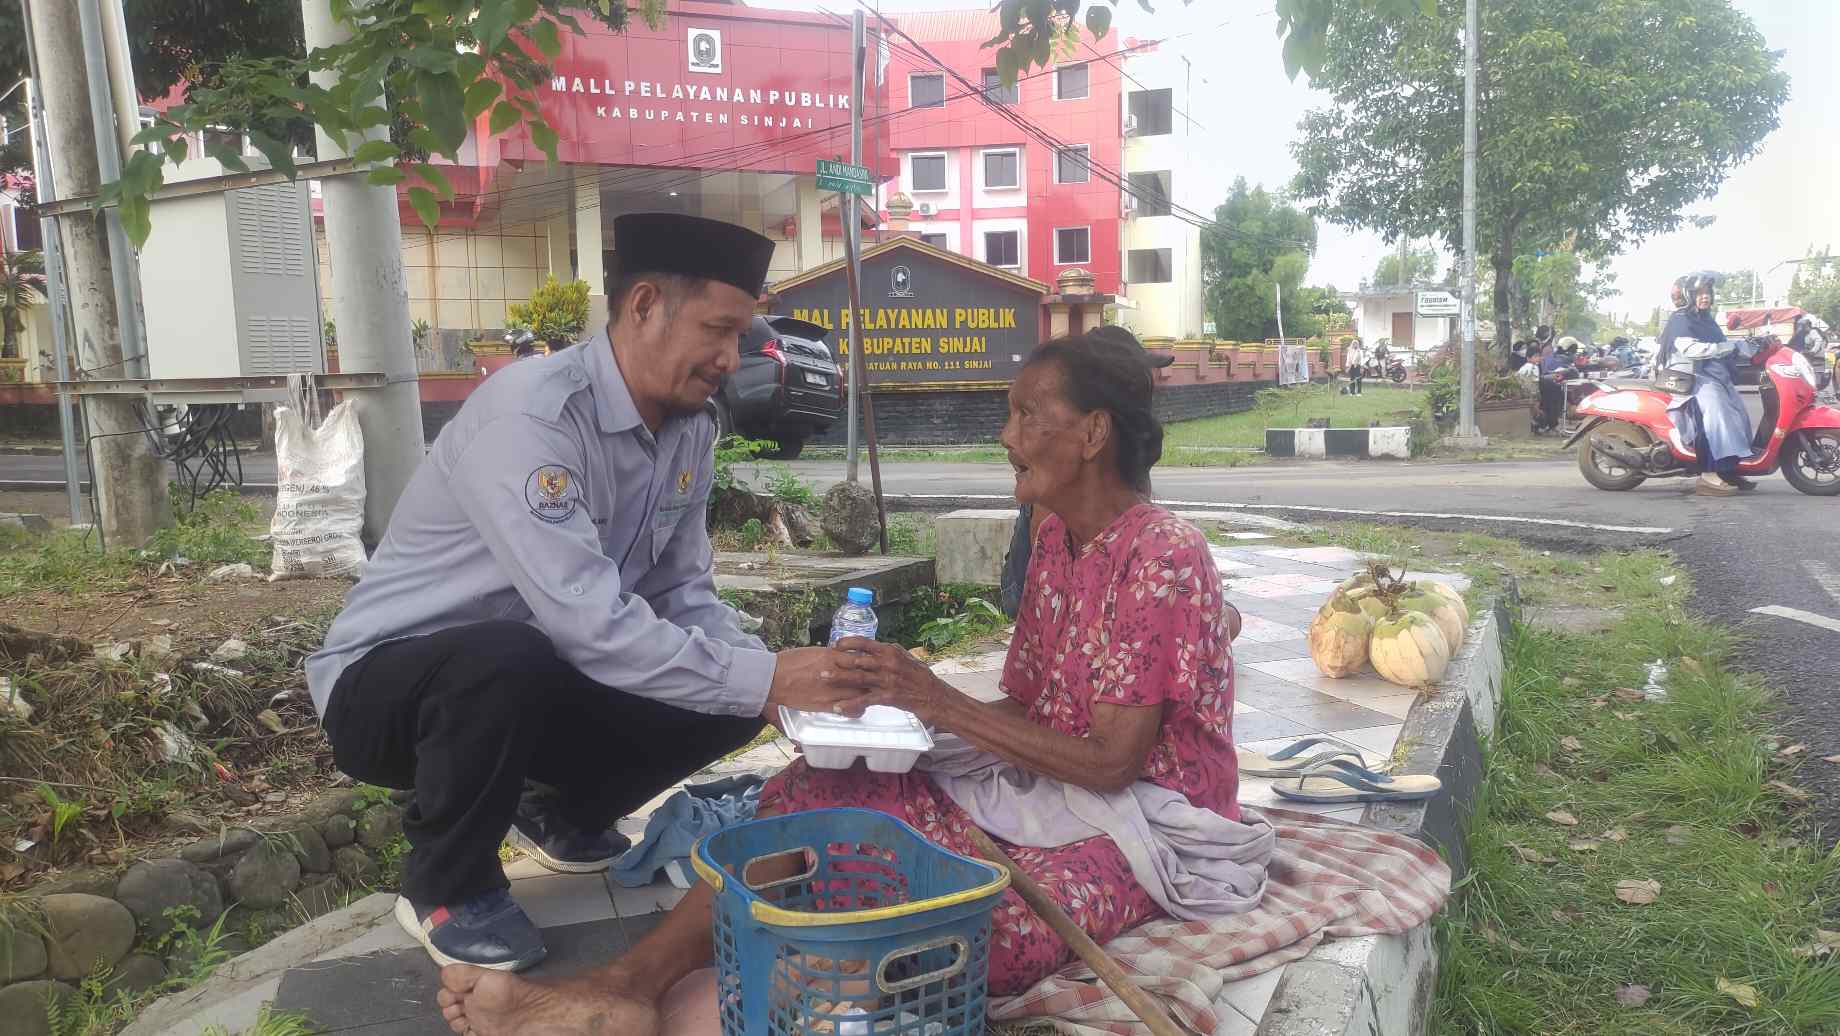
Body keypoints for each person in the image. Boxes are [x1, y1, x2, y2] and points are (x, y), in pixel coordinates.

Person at [436, 331, 1250, 1036]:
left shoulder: (1163, 555)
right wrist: (896, 721)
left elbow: (1112, 763)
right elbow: (1028, 709)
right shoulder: (1052, 536)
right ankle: (624, 990)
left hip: (1146, 818)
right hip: (1051, 787)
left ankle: (718, 1003)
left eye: (1028, 415)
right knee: (813, 790)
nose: (1007, 434)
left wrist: (936, 700)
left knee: (981, 926)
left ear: (1094, 433)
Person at [304, 213, 874, 972]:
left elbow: (682, 591)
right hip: (390, 688)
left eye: (741, 337)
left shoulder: (688, 429)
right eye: (718, 330)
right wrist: (764, 677)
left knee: (727, 690)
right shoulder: (533, 419)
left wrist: (776, 681)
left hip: (535, 674)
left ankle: (562, 814)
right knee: (511, 655)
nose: (730, 359)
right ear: (643, 306)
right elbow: (588, 625)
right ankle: (447, 884)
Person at [1660, 271, 1756, 496]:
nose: (1705, 297)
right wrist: (1729, 347)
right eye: (1699, 293)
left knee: (1737, 414)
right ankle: (1708, 475)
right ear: (1688, 295)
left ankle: (1727, 470)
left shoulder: (1706, 319)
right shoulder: (1681, 320)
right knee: (1713, 416)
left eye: (1708, 293)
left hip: (1712, 375)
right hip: (1693, 379)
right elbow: (1691, 349)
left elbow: (1722, 343)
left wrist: (1752, 345)